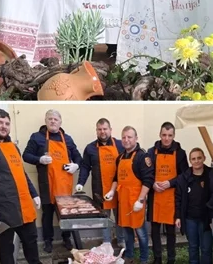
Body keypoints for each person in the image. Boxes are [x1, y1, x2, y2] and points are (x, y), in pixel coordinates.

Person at [22, 110, 82, 253]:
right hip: (47, 185)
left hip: (64, 185)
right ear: (46, 121)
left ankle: (66, 238)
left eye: (56, 119)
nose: (53, 121)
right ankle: (48, 241)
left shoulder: (67, 139)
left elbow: (78, 157)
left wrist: (76, 166)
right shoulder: (37, 138)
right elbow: (26, 155)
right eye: (50, 119)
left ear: (60, 122)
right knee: (47, 215)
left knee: (66, 214)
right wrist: (39, 159)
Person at [0, 108, 41, 264]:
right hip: (4, 209)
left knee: (31, 241)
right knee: (5, 248)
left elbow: (22, 173)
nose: (3, 126)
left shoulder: (13, 146)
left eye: (7, 123)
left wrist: (34, 193)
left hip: (24, 205)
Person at [104, 126, 154, 264]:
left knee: (141, 234)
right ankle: (129, 256)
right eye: (124, 137)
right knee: (127, 232)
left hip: (136, 201)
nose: (126, 140)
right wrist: (112, 191)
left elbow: (148, 180)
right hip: (123, 201)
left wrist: (140, 200)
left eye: (129, 137)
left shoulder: (142, 157)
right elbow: (116, 178)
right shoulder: (119, 157)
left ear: (136, 138)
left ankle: (144, 259)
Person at [76, 118, 124, 248]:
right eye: (100, 129)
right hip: (100, 189)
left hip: (119, 188)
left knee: (120, 217)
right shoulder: (90, 148)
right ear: (96, 131)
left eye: (105, 129)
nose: (102, 132)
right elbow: (85, 167)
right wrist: (80, 182)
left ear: (110, 130)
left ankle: (121, 239)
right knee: (104, 218)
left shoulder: (120, 145)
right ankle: (107, 241)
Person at [147, 122, 188, 264]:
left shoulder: (180, 153)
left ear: (174, 136)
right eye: (164, 135)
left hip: (172, 197)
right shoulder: (151, 152)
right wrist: (152, 184)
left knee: (171, 232)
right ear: (160, 135)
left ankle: (171, 259)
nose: (166, 138)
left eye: (169, 135)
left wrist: (171, 183)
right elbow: (146, 173)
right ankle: (157, 258)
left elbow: (184, 175)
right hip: (155, 197)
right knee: (155, 231)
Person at [174, 148, 213, 264]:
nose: (196, 161)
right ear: (190, 161)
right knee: (193, 247)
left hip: (207, 219)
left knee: (206, 248)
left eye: (199, 158)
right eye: (193, 159)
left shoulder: (211, 175)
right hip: (190, 219)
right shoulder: (183, 178)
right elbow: (178, 198)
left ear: (204, 158)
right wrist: (178, 216)